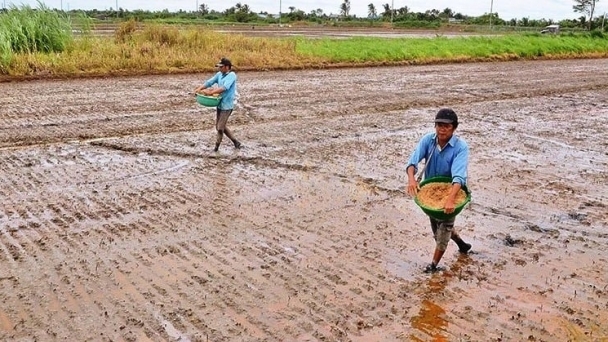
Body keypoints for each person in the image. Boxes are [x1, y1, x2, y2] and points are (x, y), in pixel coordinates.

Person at [405, 108, 471, 273]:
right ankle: (462, 244)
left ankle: (433, 266)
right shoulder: (428, 141)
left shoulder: (460, 148)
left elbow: (458, 176)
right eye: (439, 125)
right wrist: (412, 179)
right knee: (437, 227)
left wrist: (450, 199)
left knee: (442, 232)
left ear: (454, 128)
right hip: (431, 191)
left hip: (452, 191)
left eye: (446, 126)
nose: (442, 129)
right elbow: (412, 162)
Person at [194, 57, 241, 152]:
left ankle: (216, 148)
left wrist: (210, 93)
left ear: (227, 67)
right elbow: (209, 82)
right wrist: (199, 89)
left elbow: (224, 88)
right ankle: (236, 142)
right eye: (219, 67)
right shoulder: (219, 74)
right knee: (219, 126)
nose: (219, 69)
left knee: (220, 128)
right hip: (220, 103)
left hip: (227, 105)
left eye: (221, 67)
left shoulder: (232, 75)